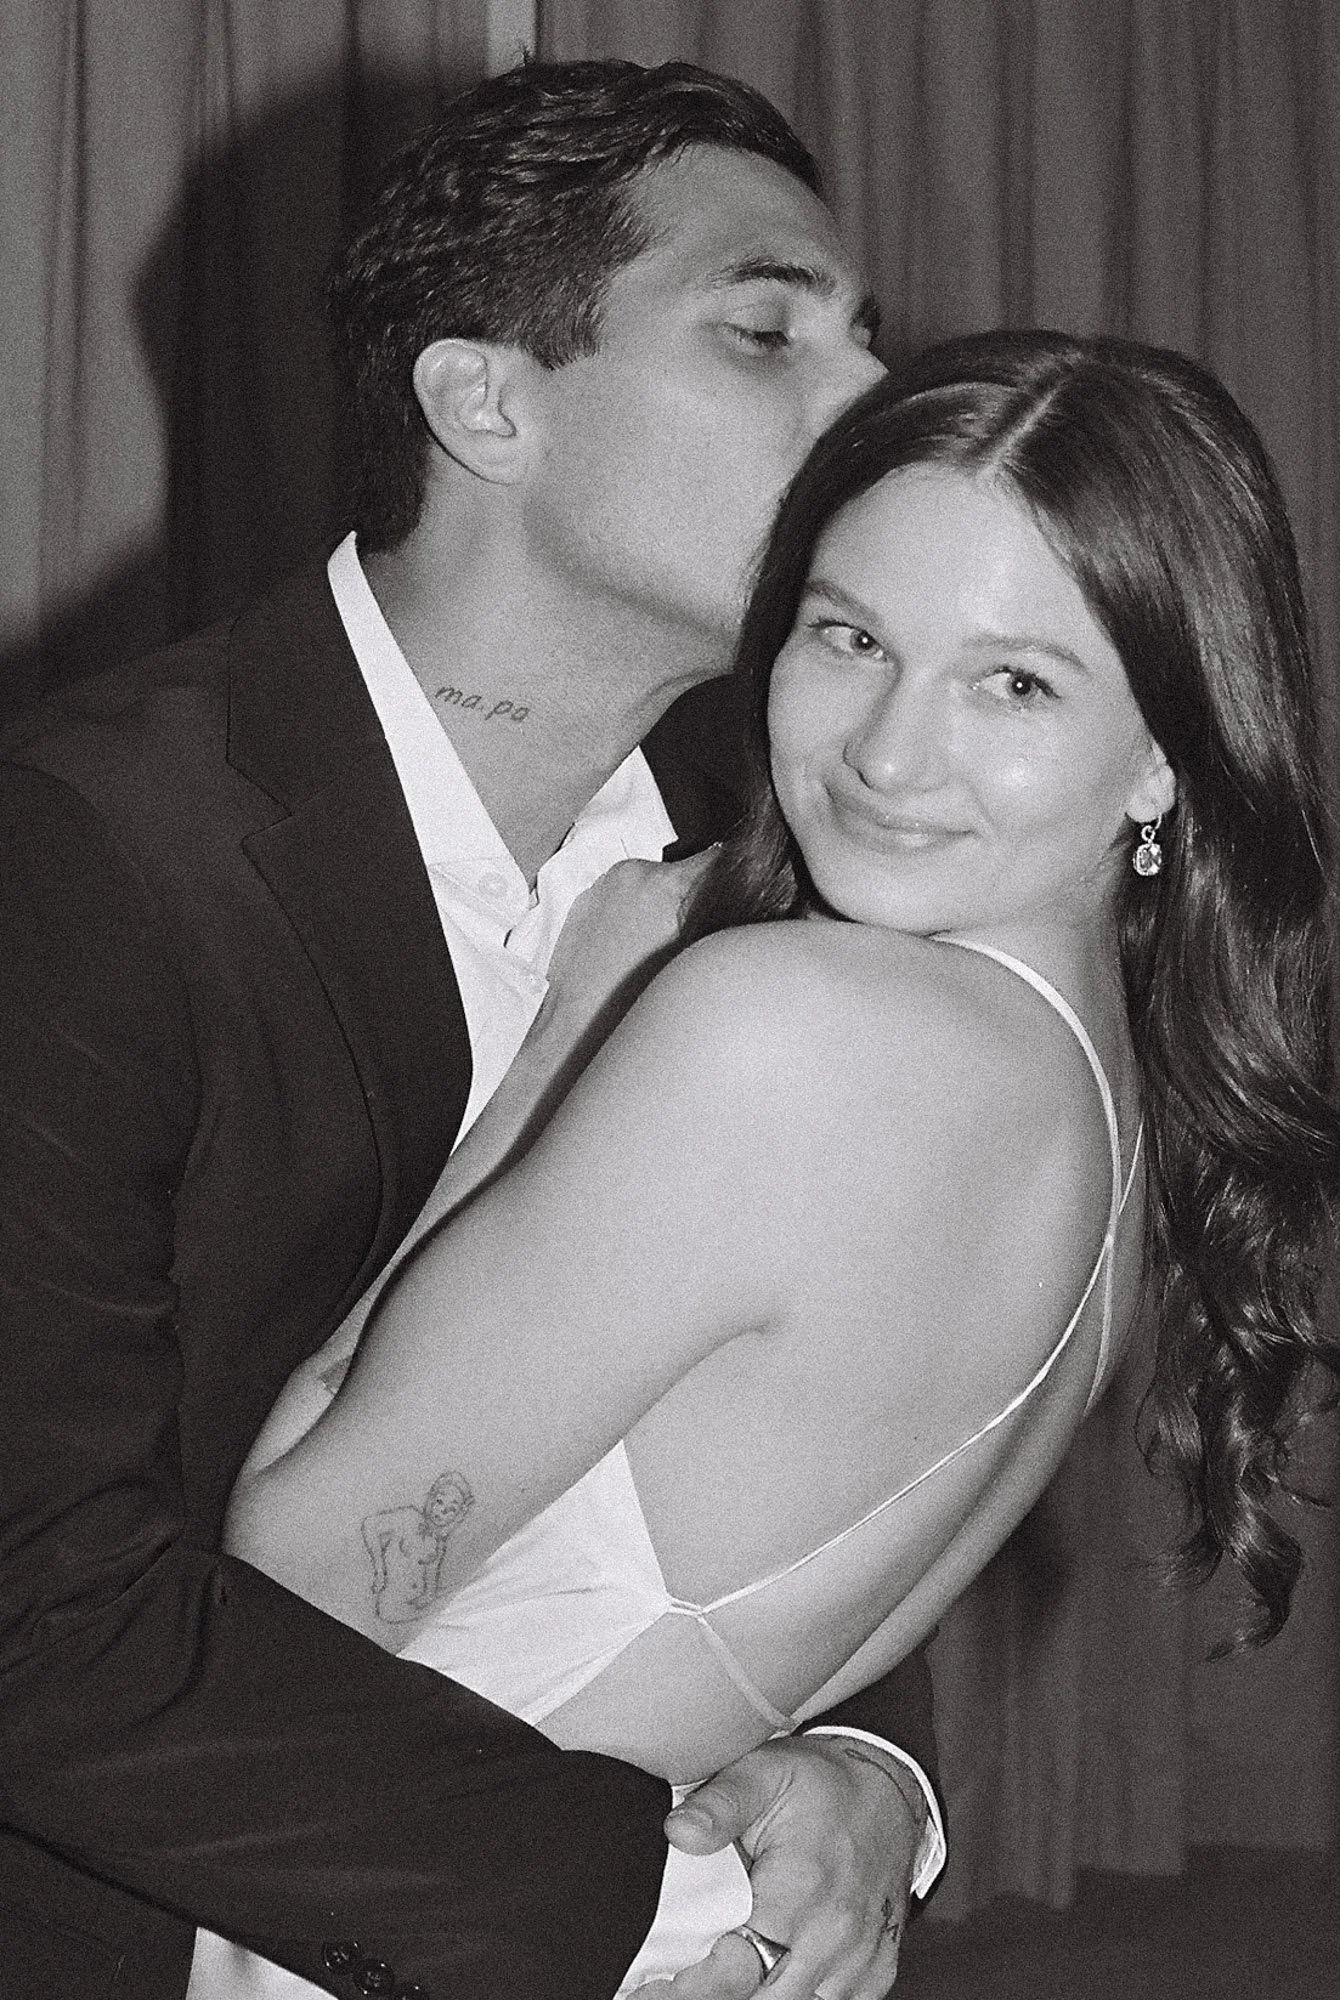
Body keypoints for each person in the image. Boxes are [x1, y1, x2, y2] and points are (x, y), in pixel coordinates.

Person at [205, 329, 1340, 1996]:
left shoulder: (783, 1032)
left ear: (1167, 750)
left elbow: (292, 1592)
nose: (889, 750)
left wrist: (567, 1032)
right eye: (850, 637)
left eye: (1014, 682)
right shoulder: (1110, 1107)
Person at [0, 59, 945, 2000]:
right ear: (483, 399)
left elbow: (783, 1437)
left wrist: (865, 1764)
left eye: (870, 341)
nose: (873, 408)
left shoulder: (753, 903)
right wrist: (655, 1902)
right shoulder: (87, 851)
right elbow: (32, 1604)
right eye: (768, 330)